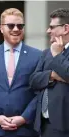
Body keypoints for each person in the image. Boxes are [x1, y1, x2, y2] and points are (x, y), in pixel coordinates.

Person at [0, 8, 41, 137]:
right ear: (1, 28)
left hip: (25, 130)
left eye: (20, 25)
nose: (16, 29)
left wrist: (24, 118)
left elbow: (39, 93)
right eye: (11, 25)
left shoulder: (37, 56)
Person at [30, 8, 69, 137]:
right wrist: (52, 75)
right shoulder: (47, 52)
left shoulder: (54, 52)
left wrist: (57, 55)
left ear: (66, 28)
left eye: (52, 27)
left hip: (64, 125)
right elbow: (33, 80)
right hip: (43, 124)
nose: (48, 31)